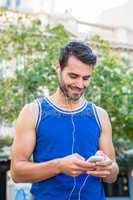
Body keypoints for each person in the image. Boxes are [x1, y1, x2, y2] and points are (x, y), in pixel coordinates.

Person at [11, 41, 119, 200]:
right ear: (58, 69)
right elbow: (17, 172)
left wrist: (108, 168)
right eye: (73, 76)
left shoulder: (100, 115)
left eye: (86, 78)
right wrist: (59, 166)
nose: (80, 84)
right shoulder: (32, 112)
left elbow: (112, 176)